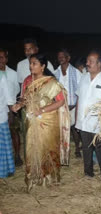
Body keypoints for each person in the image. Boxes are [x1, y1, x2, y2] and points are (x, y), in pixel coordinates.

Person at [12, 53, 70, 191]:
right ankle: (34, 175)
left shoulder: (51, 82)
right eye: (30, 64)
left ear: (43, 66)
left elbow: (61, 101)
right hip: (31, 121)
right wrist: (19, 105)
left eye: (34, 64)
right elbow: (25, 98)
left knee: (48, 148)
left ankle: (50, 177)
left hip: (48, 121)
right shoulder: (27, 80)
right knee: (32, 148)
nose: (31, 66)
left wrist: (42, 110)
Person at [75, 50, 101, 182]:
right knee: (86, 149)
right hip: (84, 121)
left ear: (99, 64)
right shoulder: (84, 78)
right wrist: (77, 120)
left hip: (100, 123)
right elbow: (79, 99)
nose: (87, 63)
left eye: (91, 61)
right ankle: (88, 173)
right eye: (87, 61)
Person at [55, 49, 82, 159]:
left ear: (68, 58)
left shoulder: (76, 72)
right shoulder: (55, 73)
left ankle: (77, 148)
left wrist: (76, 105)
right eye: (59, 57)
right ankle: (64, 151)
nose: (61, 59)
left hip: (73, 106)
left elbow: (80, 91)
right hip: (60, 106)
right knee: (62, 129)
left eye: (63, 56)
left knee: (75, 129)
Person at [0, 48, 22, 166]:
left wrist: (12, 109)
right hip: (0, 109)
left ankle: (17, 155)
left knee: (14, 131)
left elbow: (17, 90)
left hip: (12, 108)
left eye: (3, 57)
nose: (0, 60)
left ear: (7, 59)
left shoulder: (13, 74)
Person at [0, 67, 16, 178]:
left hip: (1, 115)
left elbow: (8, 96)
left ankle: (5, 170)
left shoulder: (1, 76)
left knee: (3, 145)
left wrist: (11, 114)